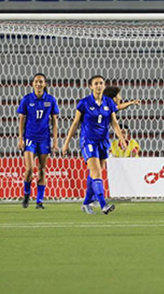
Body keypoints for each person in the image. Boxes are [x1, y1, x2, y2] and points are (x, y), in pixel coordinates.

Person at [61, 75, 126, 215]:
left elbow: (114, 123)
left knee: (95, 172)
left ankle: (86, 203)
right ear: (90, 86)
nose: (99, 86)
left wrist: (121, 139)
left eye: (101, 83)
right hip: (88, 141)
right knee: (96, 172)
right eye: (96, 83)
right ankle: (103, 204)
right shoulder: (84, 103)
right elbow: (75, 123)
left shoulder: (108, 102)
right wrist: (66, 142)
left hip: (103, 141)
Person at [17, 73, 59, 209]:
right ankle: (26, 194)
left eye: (41, 81)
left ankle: (39, 201)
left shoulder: (51, 100)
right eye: (36, 81)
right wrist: (20, 139)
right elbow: (21, 119)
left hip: (44, 139)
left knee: (42, 169)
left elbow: (54, 121)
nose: (38, 84)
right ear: (32, 84)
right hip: (30, 138)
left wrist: (55, 142)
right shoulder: (27, 99)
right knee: (29, 169)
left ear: (45, 84)